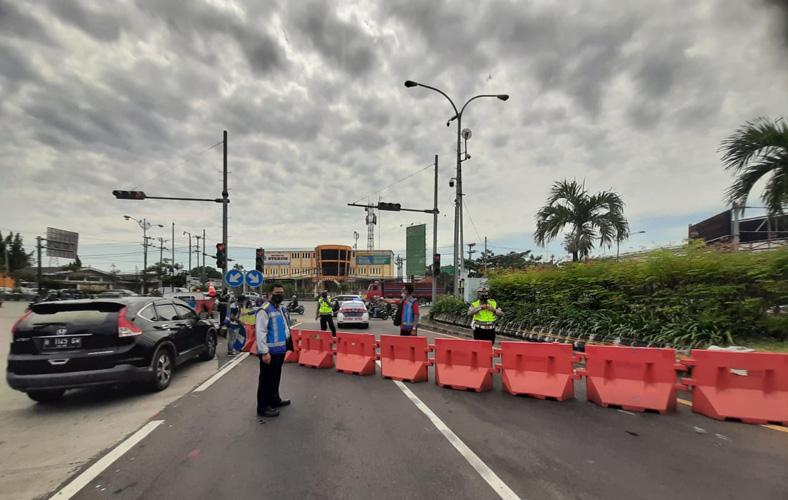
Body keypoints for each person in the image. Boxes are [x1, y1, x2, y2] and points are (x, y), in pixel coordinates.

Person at [255, 283, 291, 418]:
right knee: (266, 380)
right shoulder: (264, 310)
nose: (280, 295)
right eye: (277, 293)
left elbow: (285, 327)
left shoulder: (281, 308)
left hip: (280, 350)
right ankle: (263, 407)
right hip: (269, 352)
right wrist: (264, 352)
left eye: (281, 293)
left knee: (275, 378)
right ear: (269, 294)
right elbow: (260, 332)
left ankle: (274, 400)